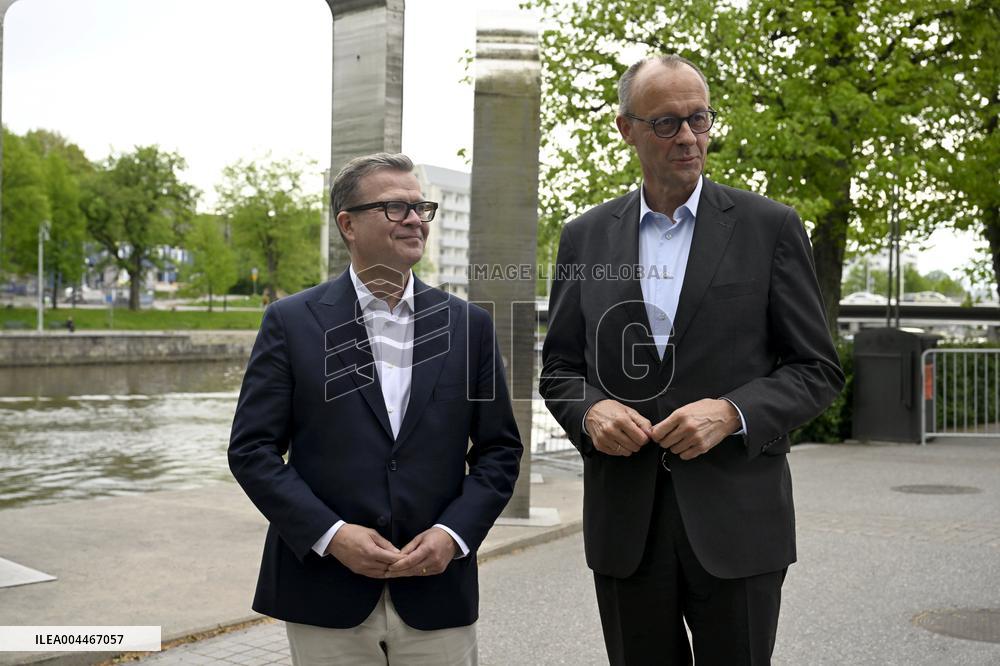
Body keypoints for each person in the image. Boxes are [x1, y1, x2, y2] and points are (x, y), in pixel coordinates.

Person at [540, 55, 844, 665]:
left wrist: (733, 412)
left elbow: (816, 368)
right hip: (627, 527)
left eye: (699, 119)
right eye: (667, 123)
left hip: (739, 524)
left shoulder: (771, 227)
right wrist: (592, 410)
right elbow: (561, 369)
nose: (688, 137)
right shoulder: (585, 236)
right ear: (626, 128)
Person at [229, 152, 522, 665]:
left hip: (438, 592)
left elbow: (498, 450)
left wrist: (454, 535)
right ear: (348, 224)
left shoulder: (469, 325)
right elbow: (252, 450)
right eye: (395, 207)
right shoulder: (290, 321)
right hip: (325, 590)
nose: (415, 219)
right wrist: (332, 534)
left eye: (420, 208)